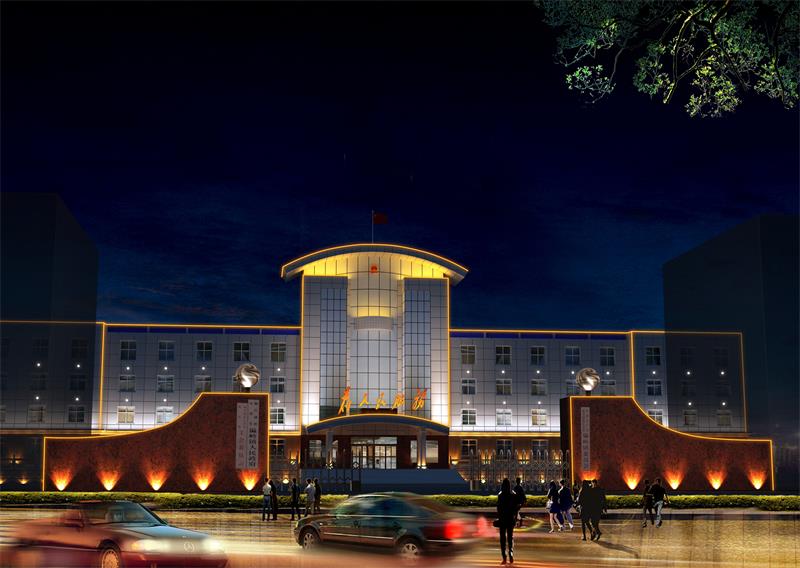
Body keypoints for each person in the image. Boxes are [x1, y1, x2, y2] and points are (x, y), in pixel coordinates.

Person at [496, 478, 517, 564]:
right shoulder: (513, 495)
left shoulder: (500, 495)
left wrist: (499, 516)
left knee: (502, 539)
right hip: (510, 519)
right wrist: (514, 517)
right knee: (510, 537)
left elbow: (498, 508)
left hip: (502, 519)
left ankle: (504, 557)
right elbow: (515, 508)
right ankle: (511, 554)